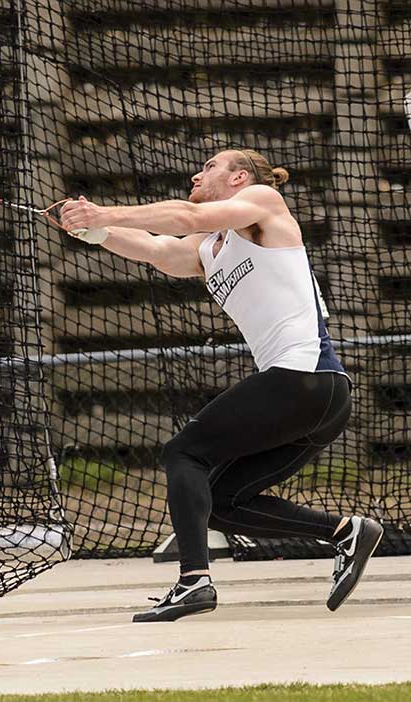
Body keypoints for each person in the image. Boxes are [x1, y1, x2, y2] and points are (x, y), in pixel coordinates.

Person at [59, 149, 384, 622]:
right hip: (316, 398)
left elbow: (185, 215)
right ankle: (345, 531)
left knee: (182, 453)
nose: (196, 172)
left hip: (304, 377)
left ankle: (193, 582)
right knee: (222, 502)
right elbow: (156, 249)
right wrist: (96, 231)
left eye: (209, 166)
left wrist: (102, 211)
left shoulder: (263, 202)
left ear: (238, 177)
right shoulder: (209, 248)